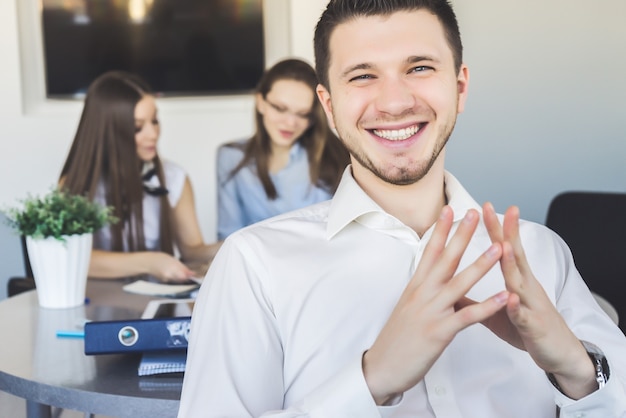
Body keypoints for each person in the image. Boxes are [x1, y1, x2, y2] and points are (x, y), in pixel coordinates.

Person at [179, 1, 626, 416]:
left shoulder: (541, 253)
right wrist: (371, 380)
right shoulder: (253, 265)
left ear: (460, 86)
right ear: (330, 108)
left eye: (420, 67)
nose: (394, 102)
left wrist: (578, 369)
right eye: (362, 76)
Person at [60, 71, 221, 282]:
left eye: (154, 121)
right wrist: (150, 262)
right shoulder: (77, 187)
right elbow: (75, 257)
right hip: (95, 302)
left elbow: (192, 250)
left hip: (155, 302)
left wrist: (232, 246)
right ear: (109, 131)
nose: (153, 133)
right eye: (138, 127)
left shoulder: (174, 178)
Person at [216, 58, 350, 239]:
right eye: (280, 108)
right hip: (254, 264)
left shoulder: (336, 156)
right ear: (260, 102)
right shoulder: (231, 157)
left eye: (303, 114)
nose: (290, 123)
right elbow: (228, 237)